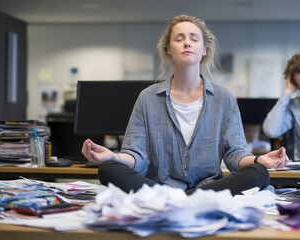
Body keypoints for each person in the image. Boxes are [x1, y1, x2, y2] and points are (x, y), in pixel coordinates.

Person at [81, 15, 288, 196]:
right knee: (108, 169)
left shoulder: (224, 98)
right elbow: (137, 156)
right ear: (169, 49)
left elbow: (235, 155)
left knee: (259, 173)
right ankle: (186, 201)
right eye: (179, 39)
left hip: (208, 189)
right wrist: (113, 157)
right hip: (160, 187)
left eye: (194, 38)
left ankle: (182, 201)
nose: (187, 43)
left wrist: (259, 161)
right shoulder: (148, 98)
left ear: (204, 50)